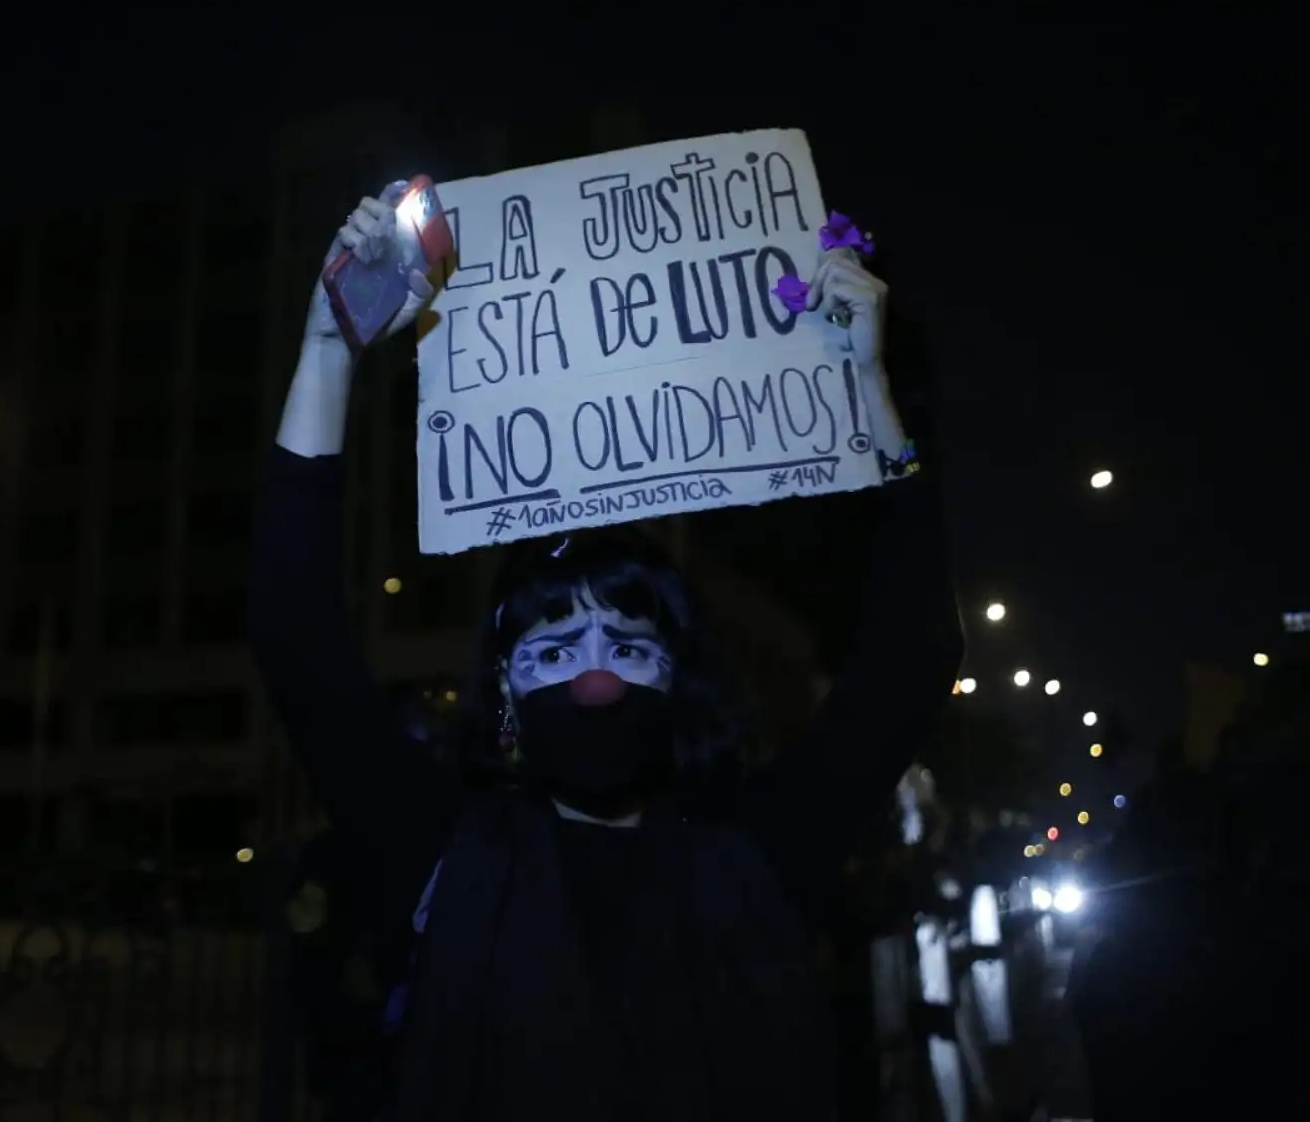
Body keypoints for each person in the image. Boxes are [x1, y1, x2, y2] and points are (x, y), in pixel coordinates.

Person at [252, 184, 961, 1119]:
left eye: (628, 642)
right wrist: (326, 351)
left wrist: (868, 386)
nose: (594, 676)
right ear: (504, 689)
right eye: (552, 645)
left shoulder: (757, 850)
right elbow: (295, 632)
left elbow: (913, 656)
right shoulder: (443, 853)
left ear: (679, 677)